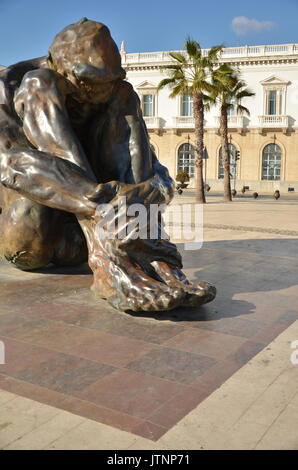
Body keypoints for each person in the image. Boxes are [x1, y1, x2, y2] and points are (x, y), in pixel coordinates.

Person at [0, 18, 216, 311]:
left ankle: (154, 261)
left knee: (126, 96)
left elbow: (155, 170)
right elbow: (12, 165)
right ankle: (112, 266)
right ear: (58, 66)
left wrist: (151, 190)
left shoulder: (115, 93)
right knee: (39, 86)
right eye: (89, 83)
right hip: (33, 237)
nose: (98, 93)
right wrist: (101, 201)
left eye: (107, 82)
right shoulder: (13, 86)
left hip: (83, 241)